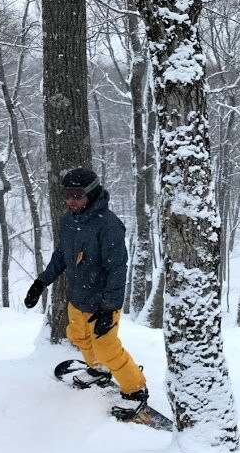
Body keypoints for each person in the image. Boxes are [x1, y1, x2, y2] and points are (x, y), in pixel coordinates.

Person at [24, 167, 148, 405]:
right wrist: (41, 282)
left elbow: (117, 269)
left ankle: (135, 390)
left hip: (103, 301)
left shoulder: (109, 225)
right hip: (78, 297)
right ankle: (98, 371)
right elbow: (62, 255)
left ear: (91, 194)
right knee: (79, 337)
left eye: (77, 195)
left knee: (106, 346)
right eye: (68, 195)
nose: (71, 200)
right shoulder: (68, 220)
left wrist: (108, 308)